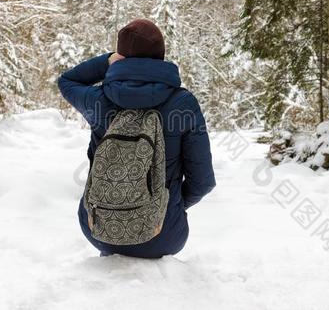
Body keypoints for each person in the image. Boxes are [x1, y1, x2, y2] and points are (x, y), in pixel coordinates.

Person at [57, 19, 215, 258]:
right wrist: (170, 206)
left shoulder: (98, 99)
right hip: (163, 233)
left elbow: (67, 81)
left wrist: (106, 61)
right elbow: (203, 182)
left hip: (97, 228)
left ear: (121, 56)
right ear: (161, 54)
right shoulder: (183, 104)